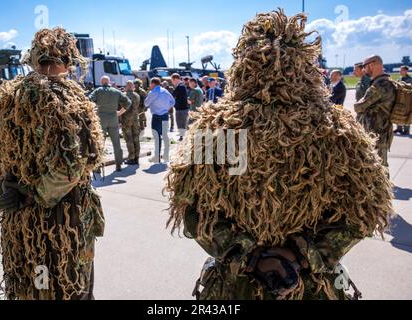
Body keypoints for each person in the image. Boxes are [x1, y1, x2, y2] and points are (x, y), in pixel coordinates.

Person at [166, 10, 392, 301]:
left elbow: (193, 210)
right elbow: (364, 213)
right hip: (310, 286)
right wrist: (301, 255)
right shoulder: (338, 132)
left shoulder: (220, 131)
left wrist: (249, 256)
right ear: (306, 67)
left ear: (242, 66)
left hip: (237, 287)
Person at [0, 28, 106, 300]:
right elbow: (73, 164)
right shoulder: (68, 99)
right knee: (69, 286)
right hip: (64, 224)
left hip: (20, 224)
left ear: (33, 60)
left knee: (32, 283)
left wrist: (9, 188)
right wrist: (36, 194)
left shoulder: (7, 99)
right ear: (68, 60)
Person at [354, 55, 396, 167]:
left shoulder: (380, 85)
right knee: (379, 166)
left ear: (372, 65)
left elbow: (359, 107)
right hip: (381, 132)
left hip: (377, 134)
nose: (363, 69)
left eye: (364, 66)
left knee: (379, 167)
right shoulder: (387, 81)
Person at [89, 76, 131, 172]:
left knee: (100, 144)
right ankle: (118, 165)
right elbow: (128, 102)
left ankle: (98, 166)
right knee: (116, 143)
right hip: (113, 119)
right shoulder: (116, 91)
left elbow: (89, 100)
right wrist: (120, 112)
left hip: (101, 120)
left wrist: (94, 111)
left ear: (101, 82)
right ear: (109, 82)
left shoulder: (98, 90)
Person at [145, 77, 175, 163]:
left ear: (153, 83)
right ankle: (166, 156)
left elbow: (146, 103)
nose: (150, 85)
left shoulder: (152, 92)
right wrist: (166, 107)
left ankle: (157, 157)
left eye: (151, 84)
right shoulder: (165, 91)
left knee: (157, 137)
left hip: (156, 117)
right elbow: (173, 101)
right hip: (165, 115)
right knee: (165, 136)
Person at [122, 80, 141, 165]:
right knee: (136, 138)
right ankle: (137, 157)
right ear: (133, 86)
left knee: (129, 139)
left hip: (126, 120)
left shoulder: (124, 96)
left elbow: (122, 108)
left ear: (126, 86)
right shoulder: (137, 95)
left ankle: (131, 158)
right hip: (135, 120)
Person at [394, 66, 412, 136]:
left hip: (408, 99)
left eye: (401, 70)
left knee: (407, 114)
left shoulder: (410, 79)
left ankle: (406, 130)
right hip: (399, 98)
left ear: (405, 71)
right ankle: (399, 128)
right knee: (398, 113)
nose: (400, 72)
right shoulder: (399, 79)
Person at [171, 74, 189, 141]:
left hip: (182, 108)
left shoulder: (181, 86)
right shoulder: (179, 86)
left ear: (175, 79)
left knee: (183, 123)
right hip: (180, 108)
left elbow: (174, 95)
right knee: (180, 123)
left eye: (172, 80)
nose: (172, 82)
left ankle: (184, 137)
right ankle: (182, 137)